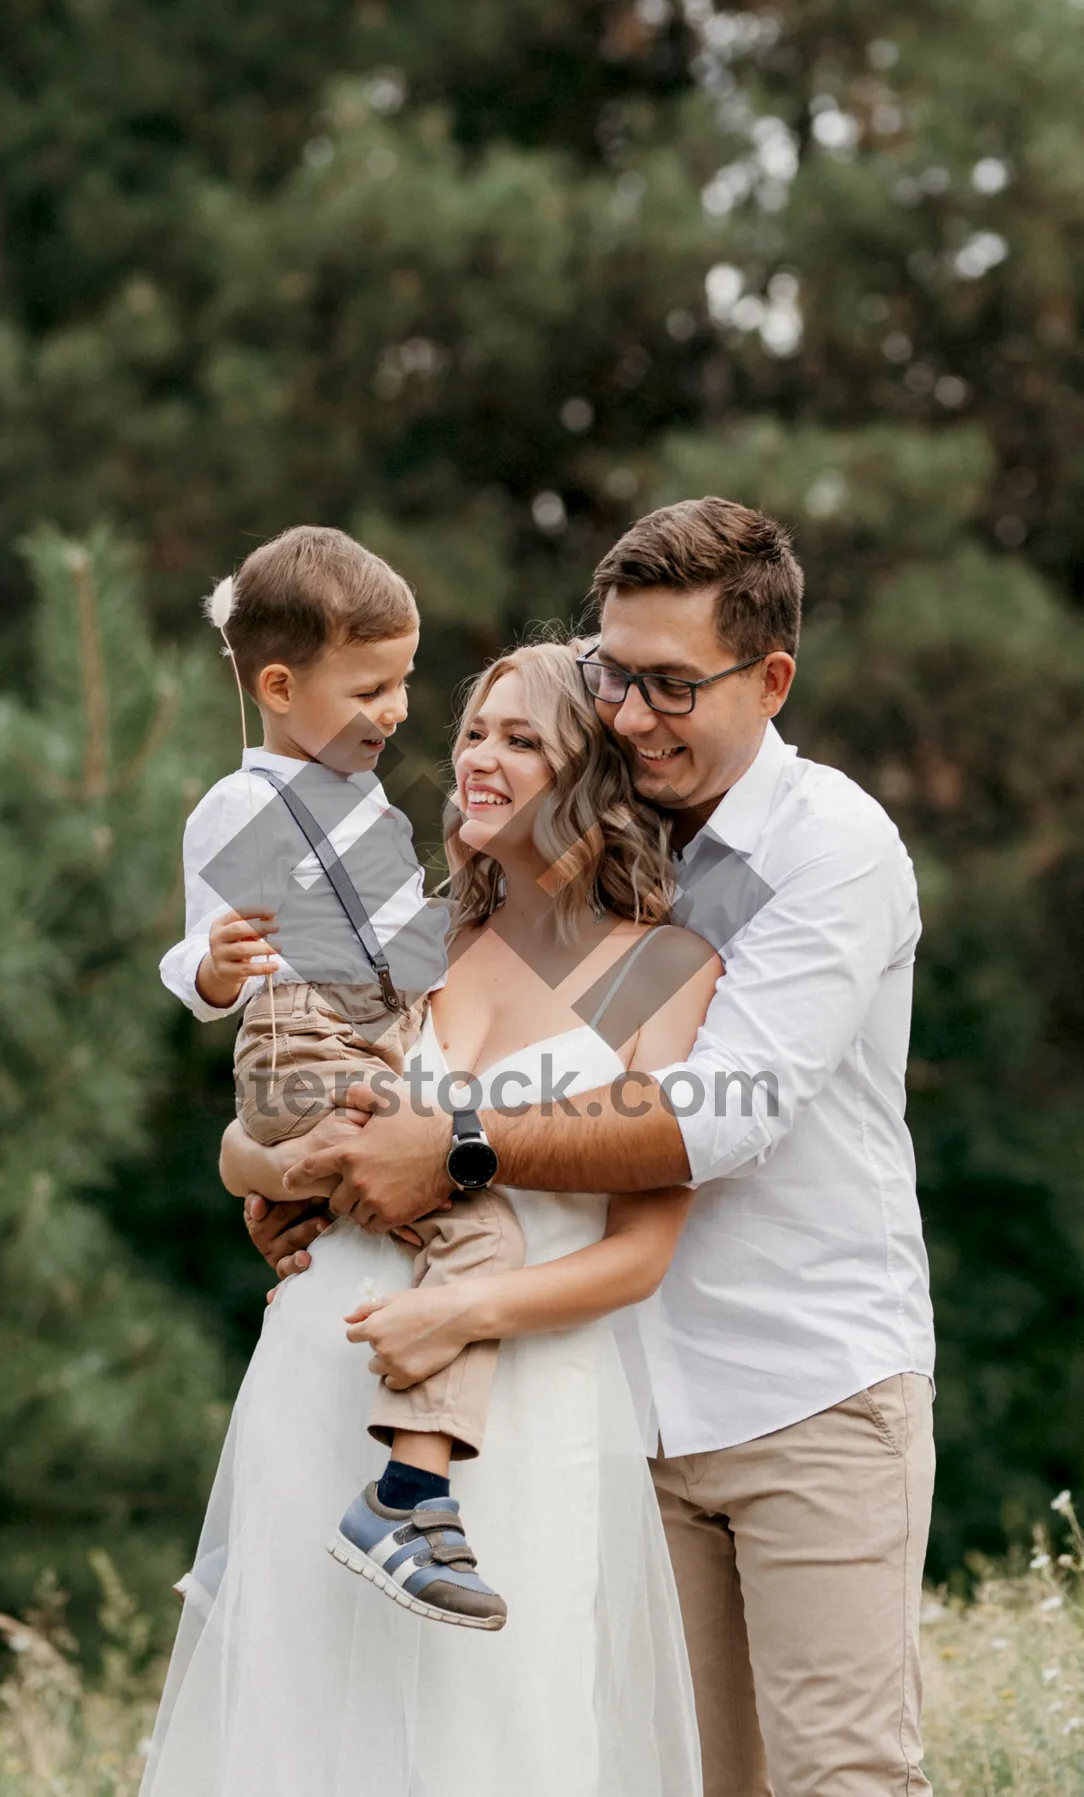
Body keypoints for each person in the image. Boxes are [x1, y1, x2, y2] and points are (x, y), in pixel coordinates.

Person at [258, 499, 938, 1797]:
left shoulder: (831, 851)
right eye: (615, 674)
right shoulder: (579, 847)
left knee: (839, 1779)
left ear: (771, 679)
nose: (630, 712)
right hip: (602, 1403)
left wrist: (448, 1151)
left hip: (805, 1388)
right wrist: (329, 1181)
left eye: (672, 684)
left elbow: (719, 1119)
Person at [141, 640, 719, 1797]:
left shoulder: (659, 969)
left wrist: (456, 1312)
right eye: (473, 734)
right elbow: (263, 1122)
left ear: (595, 774)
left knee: (500, 1746)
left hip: (518, 1405)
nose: (479, 761)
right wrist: (259, 1168)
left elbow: (639, 1258)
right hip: (325, 1370)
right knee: (305, 1737)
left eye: (522, 739)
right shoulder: (419, 937)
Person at [158, 524, 524, 1627]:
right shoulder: (245, 804)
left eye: (405, 681)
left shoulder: (364, 805)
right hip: (303, 1046)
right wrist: (213, 968)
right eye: (372, 686)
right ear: (279, 685)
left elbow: (398, 956)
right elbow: (198, 953)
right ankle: (407, 1500)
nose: (398, 710)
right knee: (478, 1232)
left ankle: (255, 1539)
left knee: (343, 1261)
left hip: (355, 1040)